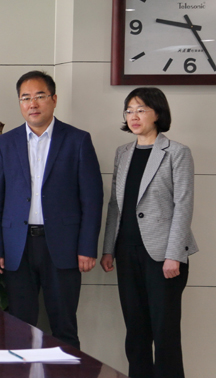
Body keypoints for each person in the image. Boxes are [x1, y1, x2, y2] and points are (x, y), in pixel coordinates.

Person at [0, 71, 103, 349]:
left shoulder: (77, 140)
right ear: (20, 103)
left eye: (40, 96)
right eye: (25, 98)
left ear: (53, 99)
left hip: (62, 247)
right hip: (18, 247)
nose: (33, 103)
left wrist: (87, 247)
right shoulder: (6, 143)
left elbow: (92, 198)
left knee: (63, 326)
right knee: (18, 326)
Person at [100, 87, 196, 378]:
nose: (133, 116)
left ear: (157, 113)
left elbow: (183, 206)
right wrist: (108, 248)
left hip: (163, 258)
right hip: (126, 253)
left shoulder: (177, 152)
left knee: (164, 334)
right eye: (129, 110)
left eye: (141, 109)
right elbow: (116, 204)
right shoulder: (123, 153)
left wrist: (174, 255)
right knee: (136, 333)